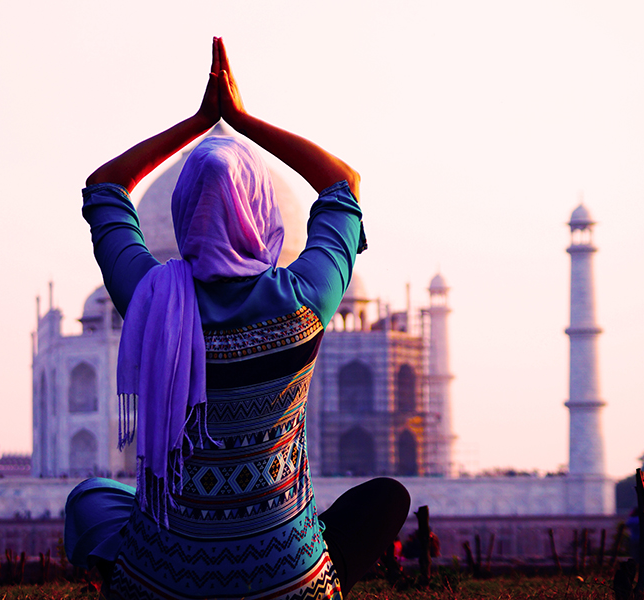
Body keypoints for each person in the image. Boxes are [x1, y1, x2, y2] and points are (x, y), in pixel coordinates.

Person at [64, 37, 410, 599]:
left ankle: (129, 580)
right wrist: (241, 122)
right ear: (261, 212)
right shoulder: (303, 301)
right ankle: (312, 576)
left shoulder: (151, 301)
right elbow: (343, 183)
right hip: (287, 580)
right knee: (385, 498)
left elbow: (104, 186)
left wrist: (199, 122)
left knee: (91, 498)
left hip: (161, 582)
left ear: (178, 215)